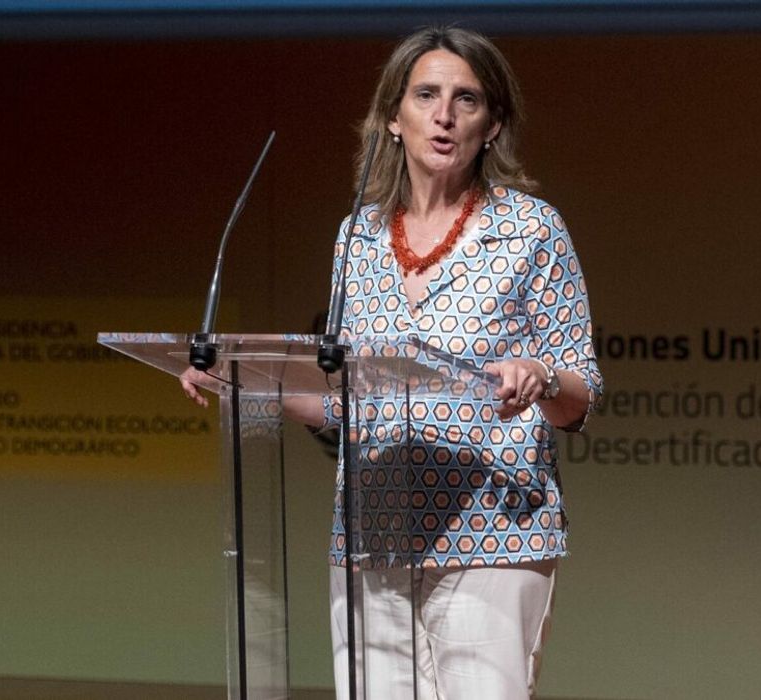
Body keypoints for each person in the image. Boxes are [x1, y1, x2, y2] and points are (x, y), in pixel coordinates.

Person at [184, 25, 601, 700]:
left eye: (467, 99)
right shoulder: (359, 237)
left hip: (492, 535)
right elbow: (345, 402)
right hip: (371, 535)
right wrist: (242, 377)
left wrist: (542, 377)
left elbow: (580, 397)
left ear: (492, 124)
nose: (445, 115)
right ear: (392, 118)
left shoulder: (530, 229)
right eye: (426, 95)